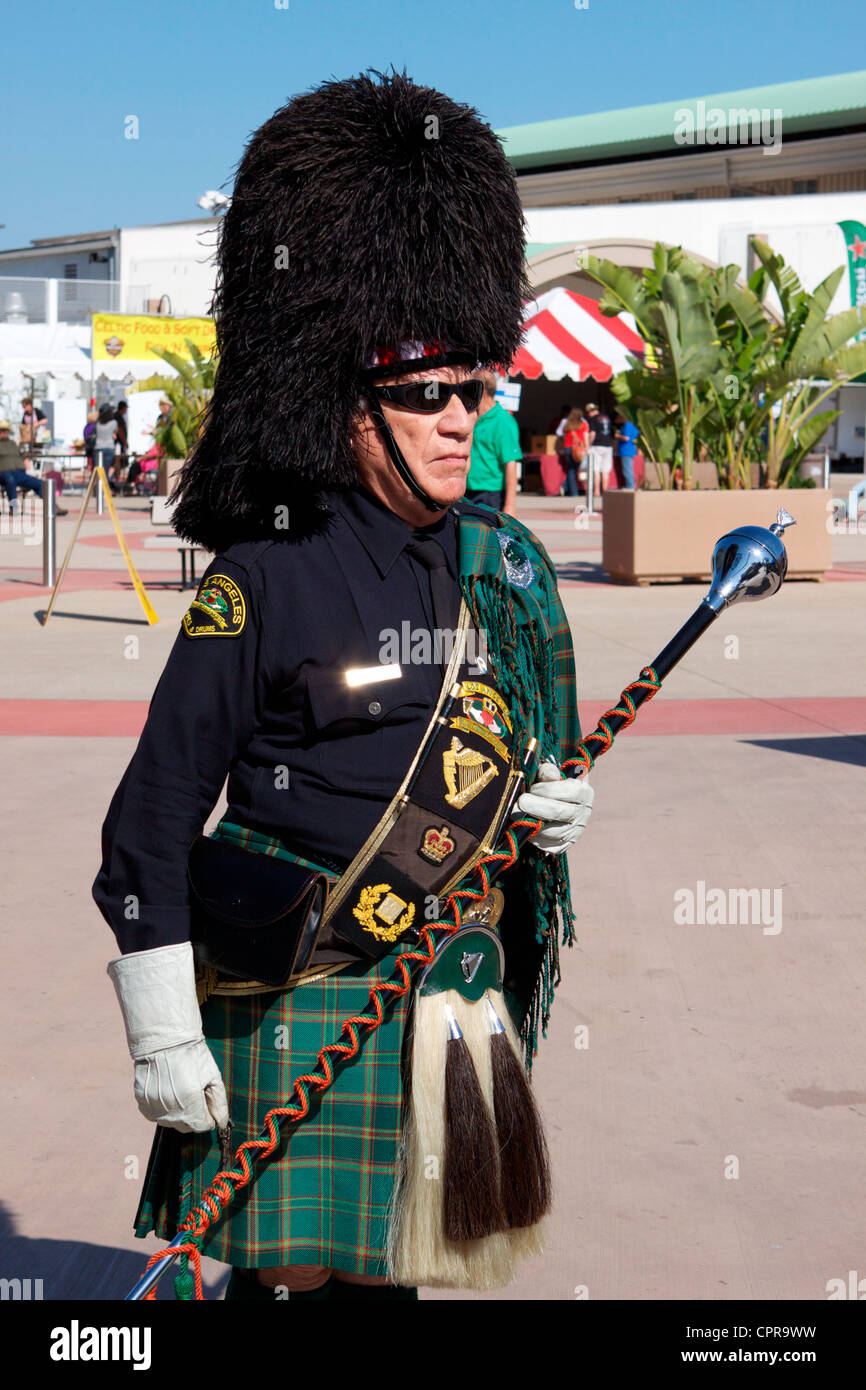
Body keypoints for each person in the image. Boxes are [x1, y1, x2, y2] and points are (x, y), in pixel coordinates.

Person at [93, 71, 594, 1303]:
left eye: (476, 390)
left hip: (440, 993)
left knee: (395, 1283)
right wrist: (163, 1028)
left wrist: (539, 810)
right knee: (288, 1287)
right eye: (426, 394)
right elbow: (147, 824)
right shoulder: (260, 580)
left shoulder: (493, 566)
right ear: (343, 396)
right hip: (296, 994)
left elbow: (493, 749)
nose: (457, 421)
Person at [465, 371, 521, 514]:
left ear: (480, 390)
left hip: (490, 495)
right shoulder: (470, 416)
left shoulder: (503, 421)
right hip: (466, 491)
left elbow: (511, 465)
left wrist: (510, 506)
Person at [0, 420, 67, 513]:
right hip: (4, 473)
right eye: (2, 430)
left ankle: (52, 507)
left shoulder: (13, 443)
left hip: (19, 473)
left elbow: (22, 454)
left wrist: (25, 460)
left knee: (39, 483)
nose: (4, 432)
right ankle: (14, 509)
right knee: (10, 480)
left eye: (6, 430)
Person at [561, 407, 589, 497]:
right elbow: (585, 437)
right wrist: (586, 449)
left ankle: (565, 487)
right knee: (573, 470)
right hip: (578, 449)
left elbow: (564, 438)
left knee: (570, 470)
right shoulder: (583, 424)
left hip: (568, 448)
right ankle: (573, 492)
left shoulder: (567, 425)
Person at [93, 404, 119, 492]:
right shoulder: (113, 423)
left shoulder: (97, 422)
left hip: (98, 448)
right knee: (106, 470)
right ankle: (104, 490)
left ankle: (98, 489)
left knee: (98, 470)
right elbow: (115, 434)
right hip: (109, 447)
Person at [614, 412, 639, 489]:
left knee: (627, 470)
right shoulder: (634, 425)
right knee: (629, 469)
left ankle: (630, 486)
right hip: (631, 449)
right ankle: (630, 485)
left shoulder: (628, 425)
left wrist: (617, 435)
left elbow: (626, 438)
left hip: (626, 450)